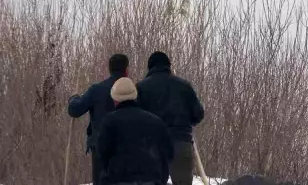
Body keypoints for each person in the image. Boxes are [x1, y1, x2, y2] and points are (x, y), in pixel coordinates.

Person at [136, 52, 205, 185]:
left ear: (150, 67)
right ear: (169, 65)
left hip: (152, 145)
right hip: (181, 141)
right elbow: (198, 113)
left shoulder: (141, 88)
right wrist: (187, 124)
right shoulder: (184, 86)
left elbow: (136, 117)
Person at [98, 77, 174, 185]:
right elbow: (168, 153)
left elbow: (103, 154)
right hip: (152, 180)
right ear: (135, 96)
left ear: (115, 99)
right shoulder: (156, 122)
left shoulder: (109, 122)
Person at [68, 54, 129, 185]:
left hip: (100, 147)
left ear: (110, 69)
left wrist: (73, 98)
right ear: (126, 70)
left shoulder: (97, 90)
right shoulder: (132, 92)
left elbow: (75, 110)